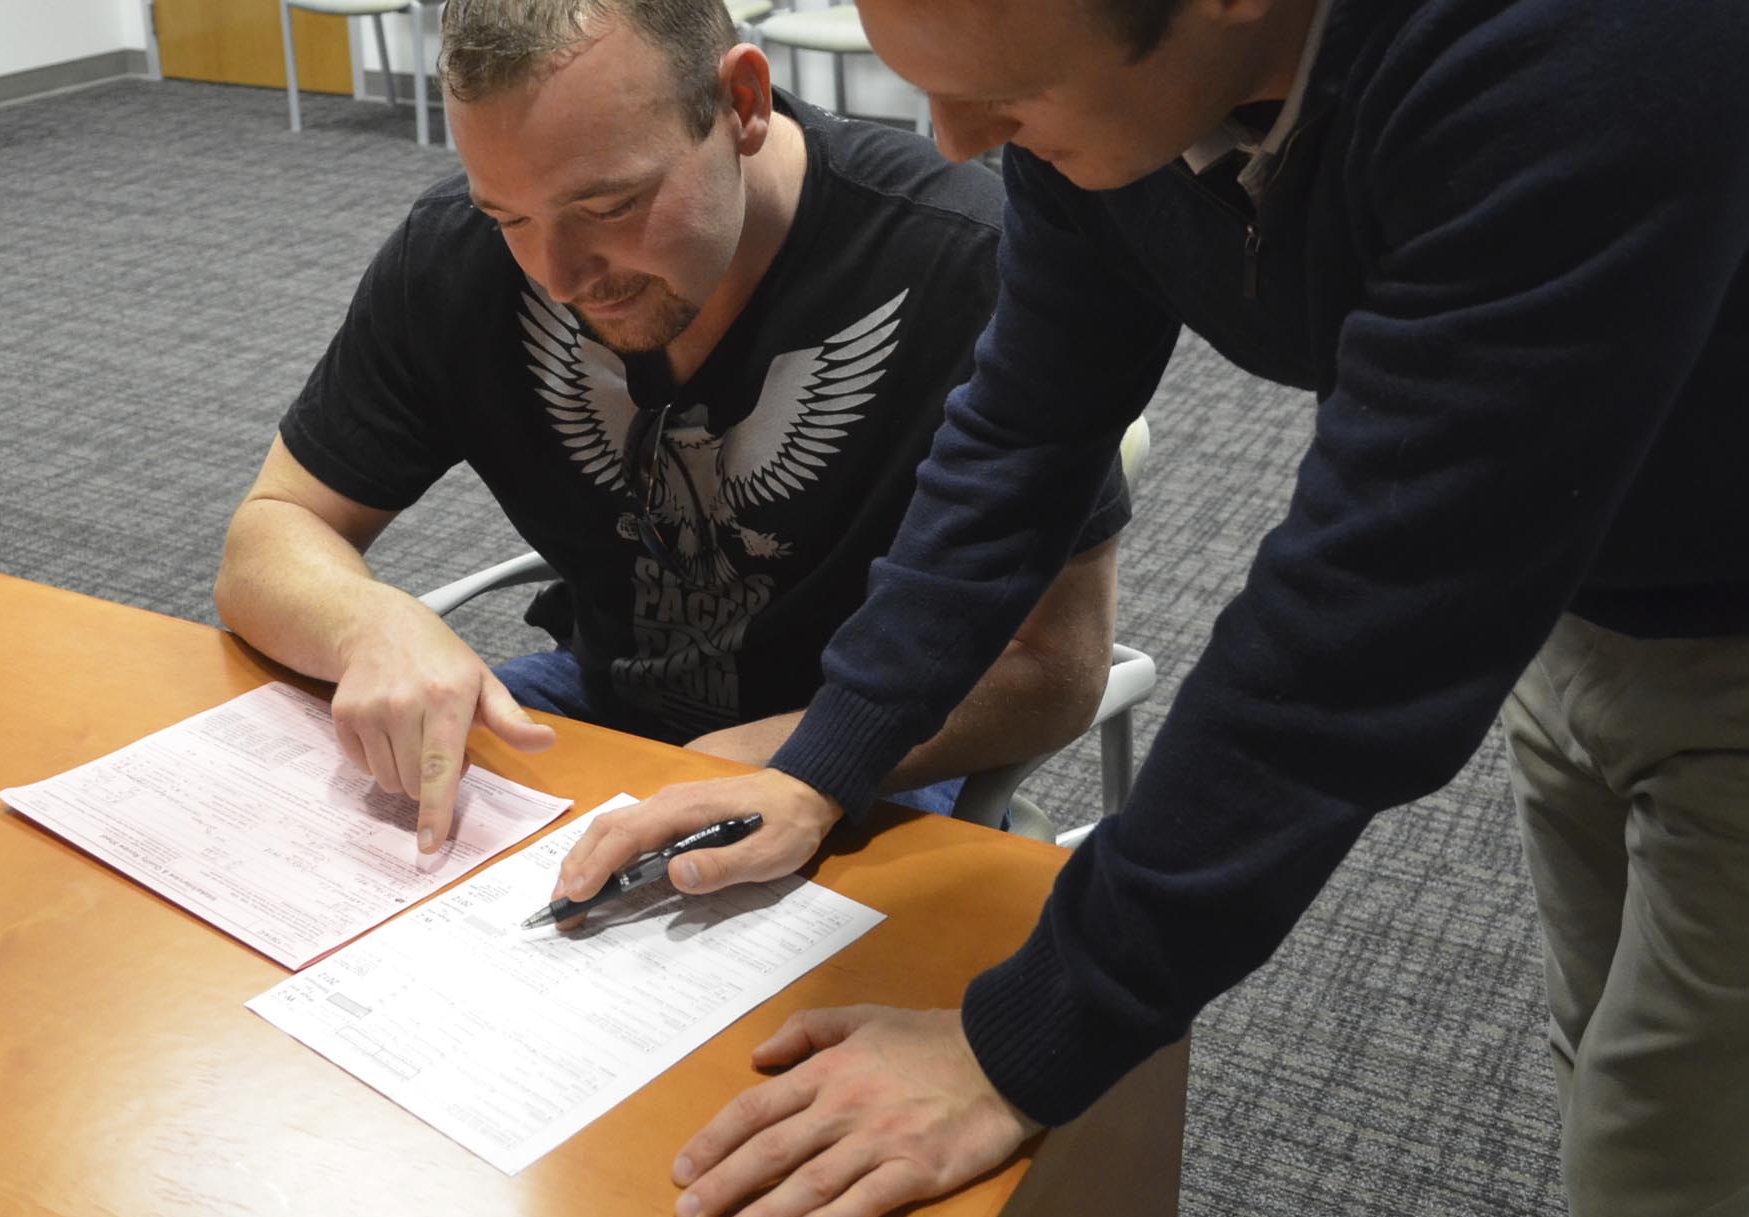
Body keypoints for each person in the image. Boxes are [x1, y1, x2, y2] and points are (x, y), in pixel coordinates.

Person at [554, 0, 1749, 1217]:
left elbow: (1357, 639)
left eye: (1007, 102)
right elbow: (1027, 426)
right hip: (1580, 566)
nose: (956, 145)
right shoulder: (1095, 70)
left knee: (1676, 1205)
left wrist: (1021, 1036)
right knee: (1609, 1050)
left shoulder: (1624, 50)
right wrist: (826, 756)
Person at [214, 0, 1129, 853]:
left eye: (608, 206)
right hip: (605, 699)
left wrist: (803, 753)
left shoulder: (969, 267)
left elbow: (1057, 668)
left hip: (881, 736)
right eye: (511, 217)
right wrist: (366, 621)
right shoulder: (454, 257)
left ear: (741, 104)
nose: (559, 276)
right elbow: (270, 535)